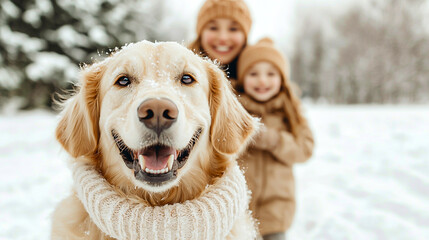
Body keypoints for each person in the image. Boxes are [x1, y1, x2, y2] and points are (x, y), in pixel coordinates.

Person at [236, 37, 315, 240]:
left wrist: (273, 140)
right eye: (254, 74)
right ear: (243, 78)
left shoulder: (290, 112)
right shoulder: (235, 111)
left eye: (271, 74)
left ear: (282, 79)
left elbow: (305, 149)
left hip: (276, 211)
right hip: (238, 210)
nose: (262, 80)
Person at [188, 0, 252, 82]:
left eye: (233, 29)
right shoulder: (179, 69)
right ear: (201, 33)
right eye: (213, 28)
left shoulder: (264, 79)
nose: (223, 38)